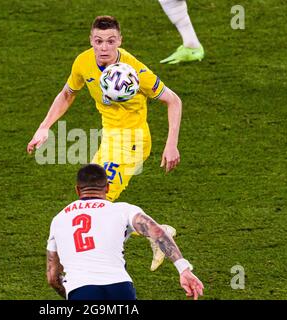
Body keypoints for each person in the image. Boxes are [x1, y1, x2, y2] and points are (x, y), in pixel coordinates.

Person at [27, 15, 182, 271]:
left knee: (97, 203)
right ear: (91, 40)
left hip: (132, 142)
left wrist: (171, 144)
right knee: (94, 203)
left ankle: (102, 260)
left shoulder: (135, 70)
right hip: (109, 138)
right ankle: (157, 232)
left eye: (110, 41)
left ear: (119, 41)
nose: (104, 48)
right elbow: (67, 94)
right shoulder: (83, 62)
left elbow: (173, 100)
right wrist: (44, 127)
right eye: (98, 41)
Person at [46, 164, 204, 300]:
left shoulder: (58, 219)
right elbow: (158, 231)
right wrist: (183, 268)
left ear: (77, 190)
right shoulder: (123, 209)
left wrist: (71, 293)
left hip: (81, 289)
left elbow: (53, 277)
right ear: (107, 187)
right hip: (120, 287)